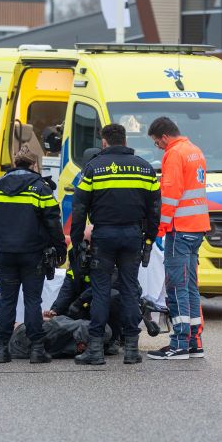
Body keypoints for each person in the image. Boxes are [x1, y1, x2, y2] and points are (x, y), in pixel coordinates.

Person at [71, 123, 160, 365]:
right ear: (125, 140)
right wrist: (150, 241)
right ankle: (132, 350)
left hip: (104, 236)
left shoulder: (93, 169)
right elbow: (154, 210)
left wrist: (78, 242)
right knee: (130, 289)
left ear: (104, 142)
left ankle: (96, 350)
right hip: (133, 236)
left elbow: (78, 209)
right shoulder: (144, 168)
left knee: (100, 290)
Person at [0, 145, 66, 364]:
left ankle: (2, 349)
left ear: (15, 164)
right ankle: (37, 349)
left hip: (4, 254)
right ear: (33, 165)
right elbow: (53, 223)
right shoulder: (40, 189)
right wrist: (61, 249)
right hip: (32, 254)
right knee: (32, 301)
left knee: (7, 301)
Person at [146, 116, 209, 360]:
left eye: (156, 143)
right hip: (196, 228)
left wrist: (159, 229)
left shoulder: (174, 154)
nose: (158, 147)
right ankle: (194, 341)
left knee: (176, 287)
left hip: (179, 229)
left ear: (164, 137)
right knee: (191, 286)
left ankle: (179, 343)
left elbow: (170, 195)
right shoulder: (195, 151)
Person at [45, 244, 124, 355]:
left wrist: (79, 301)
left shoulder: (109, 259)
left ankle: (114, 340)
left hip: (105, 305)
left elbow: (105, 286)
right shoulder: (76, 263)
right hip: (85, 306)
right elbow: (66, 291)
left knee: (112, 297)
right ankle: (87, 340)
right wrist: (55, 311)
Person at [0, 315, 112, 359]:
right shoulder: (76, 335)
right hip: (24, 340)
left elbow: (57, 322)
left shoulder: (76, 326)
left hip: (25, 335)